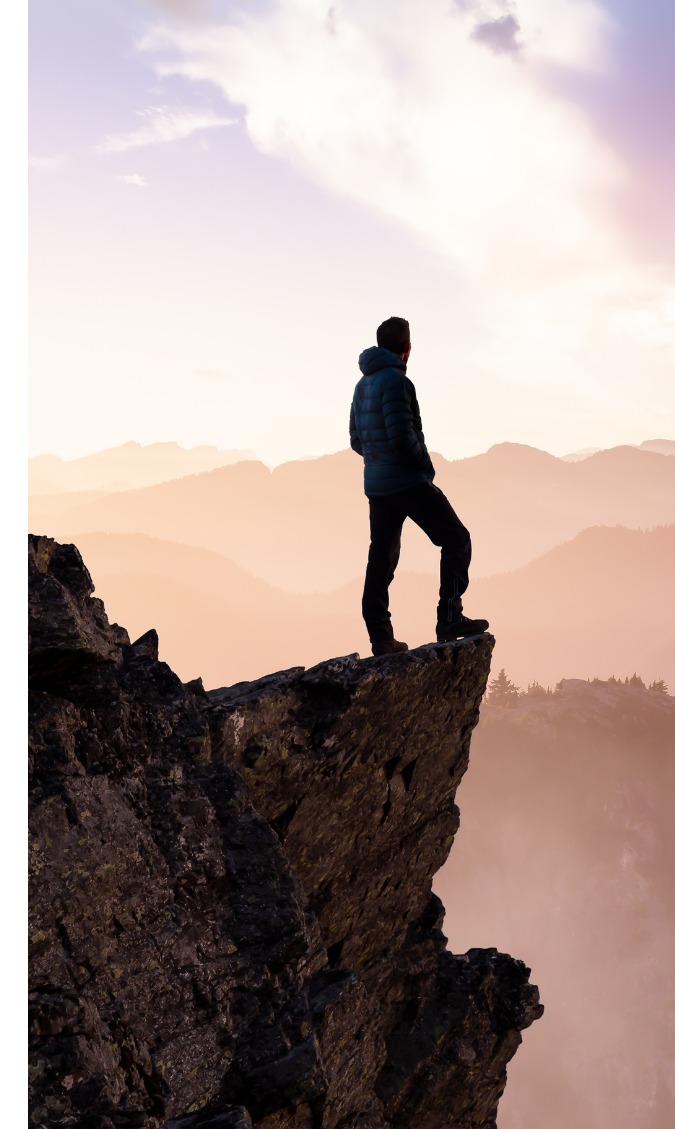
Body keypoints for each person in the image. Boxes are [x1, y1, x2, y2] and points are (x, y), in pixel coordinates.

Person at [350, 316, 489, 657]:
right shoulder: (397, 382)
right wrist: (425, 466)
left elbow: (356, 439)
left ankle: (381, 637)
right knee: (456, 538)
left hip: (377, 486)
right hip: (407, 481)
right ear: (407, 347)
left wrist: (378, 461)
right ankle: (450, 618)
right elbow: (402, 437)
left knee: (381, 557)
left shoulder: (362, 385)